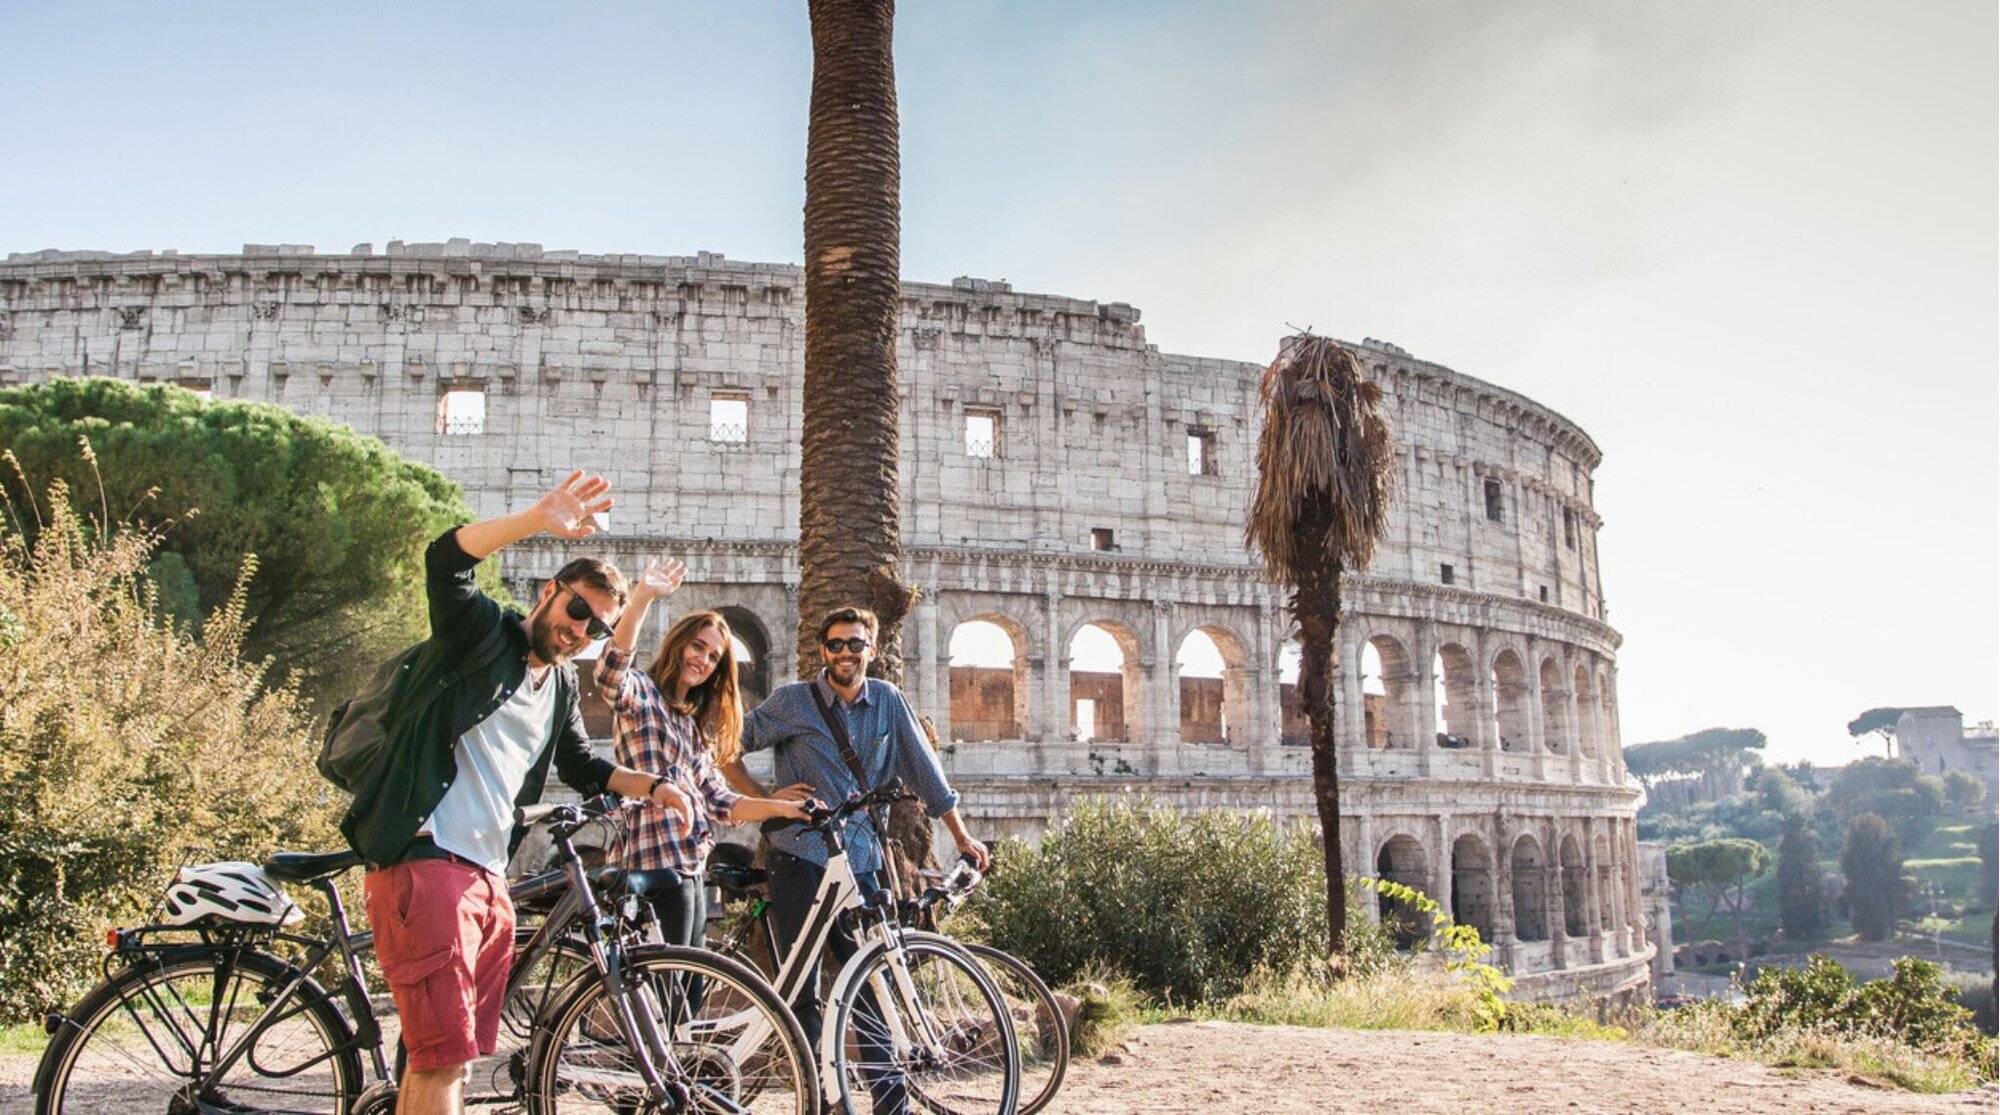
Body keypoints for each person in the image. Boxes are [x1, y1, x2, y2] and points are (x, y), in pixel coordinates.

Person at [351, 472, 700, 1115]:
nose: (579, 632)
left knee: (442, 1061)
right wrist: (536, 519)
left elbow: (582, 764)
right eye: (576, 611)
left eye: (596, 629)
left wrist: (656, 787)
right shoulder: (480, 635)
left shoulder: (562, 687)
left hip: (487, 872)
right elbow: (446, 560)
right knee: (442, 1064)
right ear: (549, 592)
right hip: (427, 857)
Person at [719, 605, 991, 1056]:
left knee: (872, 981)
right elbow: (725, 747)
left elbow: (926, 774)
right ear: (823, 650)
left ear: (873, 648)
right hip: (798, 856)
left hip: (861, 860)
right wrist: (764, 803)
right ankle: (819, 1098)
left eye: (855, 644)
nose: (845, 653)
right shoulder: (793, 702)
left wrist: (961, 836)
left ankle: (891, 1102)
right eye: (836, 644)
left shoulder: (887, 700)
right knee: (800, 986)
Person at [594, 557, 812, 945]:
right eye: (698, 646)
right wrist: (642, 598)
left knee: (688, 993)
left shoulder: (692, 727)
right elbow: (610, 675)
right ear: (679, 642)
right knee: (669, 992)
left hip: (692, 865)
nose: (703, 659)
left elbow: (721, 802)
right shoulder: (642, 695)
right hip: (651, 863)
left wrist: (778, 807)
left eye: (714, 657)